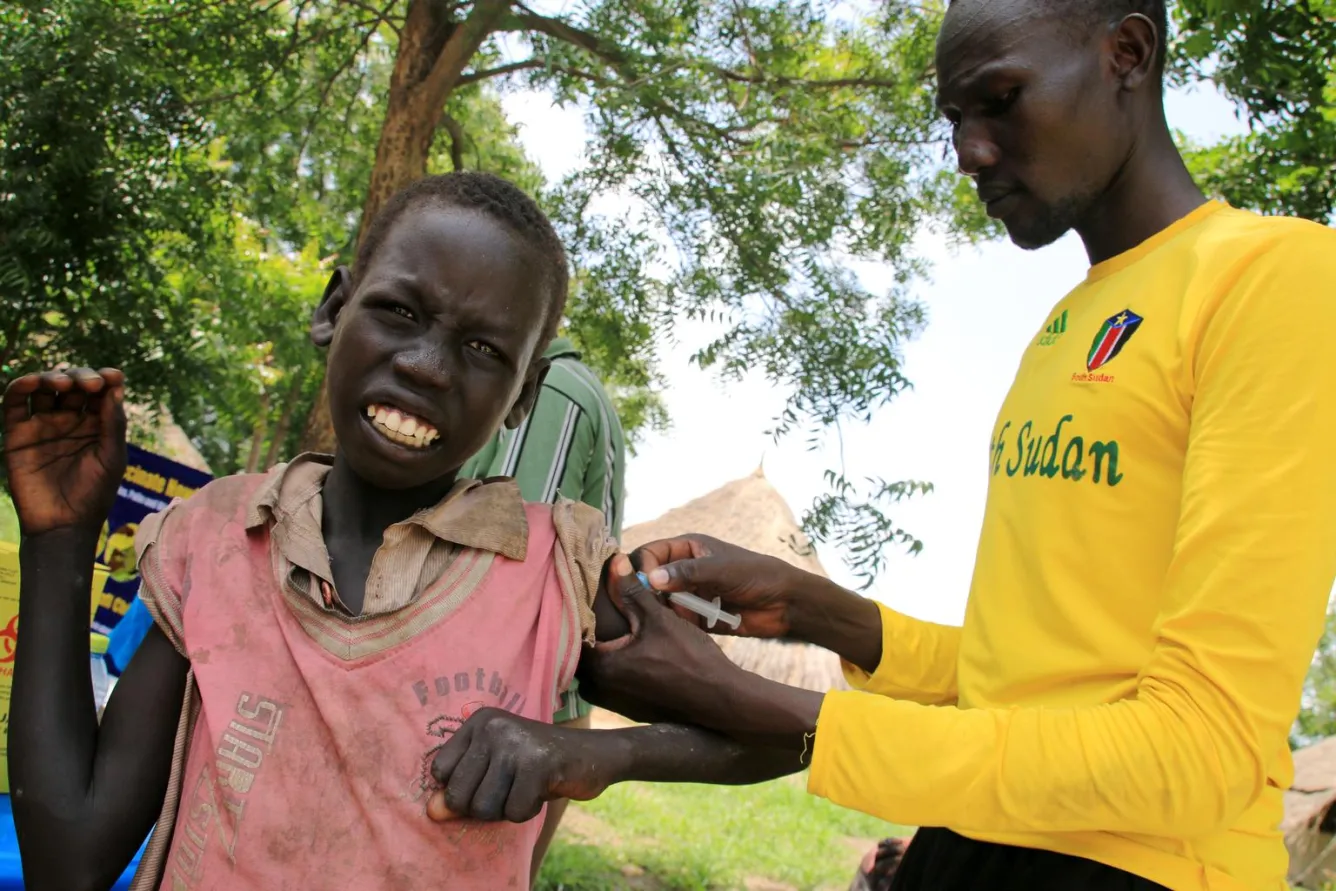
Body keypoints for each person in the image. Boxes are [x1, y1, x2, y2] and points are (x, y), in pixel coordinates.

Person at [577, 2, 1336, 889]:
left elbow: (1200, 749)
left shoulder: (1277, 282)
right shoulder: (1068, 322)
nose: (970, 150)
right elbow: (1023, 679)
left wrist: (769, 706)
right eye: (954, 119)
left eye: (1001, 99)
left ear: (1126, 53)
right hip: (972, 841)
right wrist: (818, 609)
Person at [1, 172, 798, 891]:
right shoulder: (215, 543)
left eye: (485, 349)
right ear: (333, 309)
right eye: (400, 311)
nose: (427, 366)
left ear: (523, 395)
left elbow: (791, 736)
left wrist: (589, 754)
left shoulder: (556, 579)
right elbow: (69, 858)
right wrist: (60, 540)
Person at [458, 335, 626, 881]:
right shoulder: (585, 392)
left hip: (504, 713)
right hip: (546, 712)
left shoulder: (550, 391)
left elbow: (508, 574)